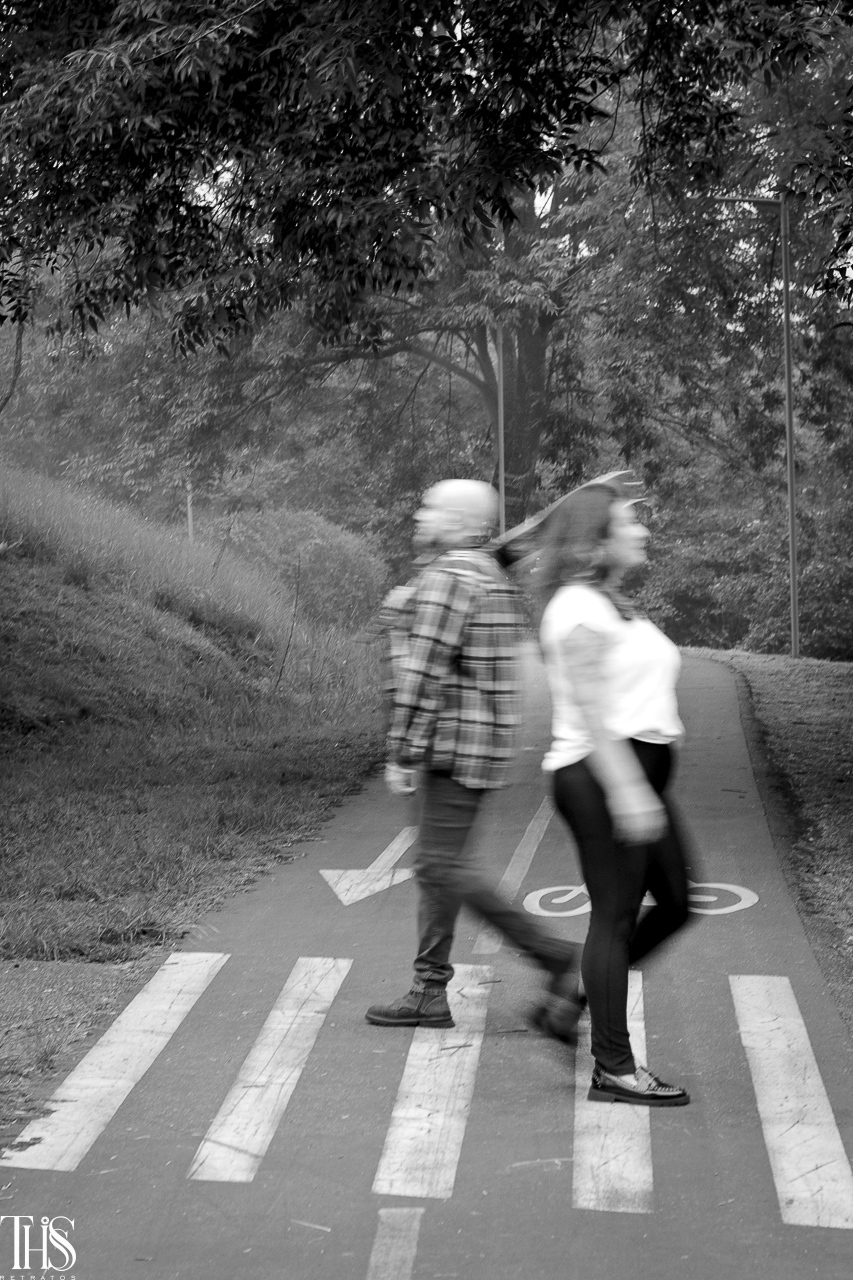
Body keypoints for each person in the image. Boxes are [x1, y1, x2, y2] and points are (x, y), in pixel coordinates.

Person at [366, 478, 580, 1032]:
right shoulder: (480, 570)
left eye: (429, 507)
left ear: (460, 523)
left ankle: (554, 956)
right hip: (477, 745)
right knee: (439, 868)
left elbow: (422, 672)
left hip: (449, 745)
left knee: (441, 866)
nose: (419, 515)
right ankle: (428, 989)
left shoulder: (450, 579)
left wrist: (400, 752)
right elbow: (504, 546)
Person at [537, 477, 695, 1106]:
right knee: (615, 914)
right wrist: (629, 790)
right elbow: (593, 712)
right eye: (629, 522)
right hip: (601, 775)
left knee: (678, 901)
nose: (643, 530)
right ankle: (614, 1067)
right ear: (596, 541)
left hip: (633, 774)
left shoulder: (610, 603)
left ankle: (578, 996)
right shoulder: (577, 607)